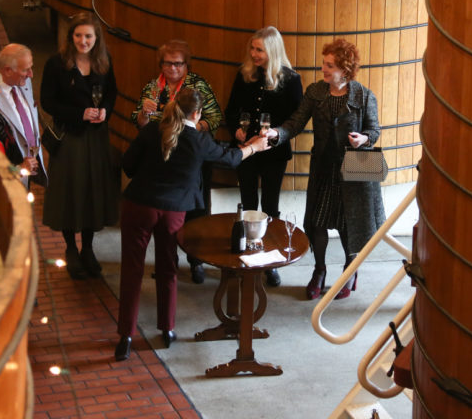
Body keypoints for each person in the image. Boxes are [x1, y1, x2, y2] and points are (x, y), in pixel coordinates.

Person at [116, 87, 269, 361]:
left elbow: (127, 164)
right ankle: (167, 329)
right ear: (197, 113)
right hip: (173, 211)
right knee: (168, 268)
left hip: (138, 206)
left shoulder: (152, 130)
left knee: (131, 271)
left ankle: (125, 336)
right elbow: (232, 158)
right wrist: (254, 146)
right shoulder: (199, 140)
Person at [262, 39, 385, 300]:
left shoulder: (364, 96)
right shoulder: (316, 91)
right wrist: (276, 133)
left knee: (348, 224)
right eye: (324, 63)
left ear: (345, 69)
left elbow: (374, 131)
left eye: (330, 65)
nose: (324, 69)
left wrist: (363, 139)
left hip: (353, 172)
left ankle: (350, 270)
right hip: (323, 168)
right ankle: (319, 270)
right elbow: (295, 123)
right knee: (316, 222)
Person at [130, 39, 223, 284]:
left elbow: (214, 117)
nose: (172, 68)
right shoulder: (153, 87)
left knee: (195, 211)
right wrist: (144, 114)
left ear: (186, 65)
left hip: (191, 159)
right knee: (167, 217)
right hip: (162, 160)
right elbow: (139, 123)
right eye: (167, 63)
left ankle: (196, 262)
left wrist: (189, 130)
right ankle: (168, 262)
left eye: (178, 64)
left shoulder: (197, 85)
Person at [40, 13, 119, 280]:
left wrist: (105, 111)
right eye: (78, 35)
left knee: (91, 191)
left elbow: (111, 94)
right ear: (70, 37)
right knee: (70, 192)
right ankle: (71, 248)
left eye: (88, 36)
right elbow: (47, 101)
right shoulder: (56, 64)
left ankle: (88, 248)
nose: (83, 41)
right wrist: (79, 113)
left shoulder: (103, 63)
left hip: (96, 138)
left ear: (96, 39)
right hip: (70, 137)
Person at [224, 26, 303, 287]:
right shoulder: (244, 74)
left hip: (274, 152)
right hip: (245, 148)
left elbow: (295, 121)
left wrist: (275, 135)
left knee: (270, 207)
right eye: (253, 48)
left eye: (260, 50)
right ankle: (246, 256)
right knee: (247, 204)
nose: (254, 54)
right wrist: (236, 130)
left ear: (273, 51)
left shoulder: (290, 80)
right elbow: (231, 110)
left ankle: (270, 259)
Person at [0, 43, 47, 187]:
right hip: (8, 177)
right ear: (8, 71)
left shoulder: (25, 82)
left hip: (28, 169)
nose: (31, 75)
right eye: (25, 70)